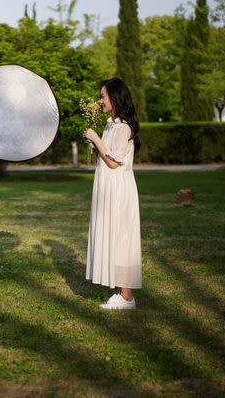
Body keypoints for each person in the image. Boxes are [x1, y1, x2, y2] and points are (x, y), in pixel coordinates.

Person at [82, 78, 142, 310]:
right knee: (115, 237)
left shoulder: (123, 127)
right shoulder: (111, 125)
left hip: (118, 189)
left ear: (115, 98)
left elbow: (114, 163)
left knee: (122, 238)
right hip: (107, 187)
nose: (100, 100)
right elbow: (106, 156)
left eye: (103, 96)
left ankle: (126, 297)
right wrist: (95, 142)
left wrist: (96, 139)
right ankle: (122, 293)